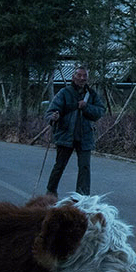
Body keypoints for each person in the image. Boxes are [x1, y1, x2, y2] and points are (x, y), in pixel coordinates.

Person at [45, 66, 105, 196]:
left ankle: (82, 197)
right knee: (59, 166)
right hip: (66, 135)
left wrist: (86, 107)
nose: (82, 78)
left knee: (84, 168)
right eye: (79, 75)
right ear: (73, 77)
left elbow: (100, 112)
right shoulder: (64, 93)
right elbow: (50, 112)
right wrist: (53, 117)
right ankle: (51, 191)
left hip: (85, 137)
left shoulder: (92, 95)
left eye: (84, 76)